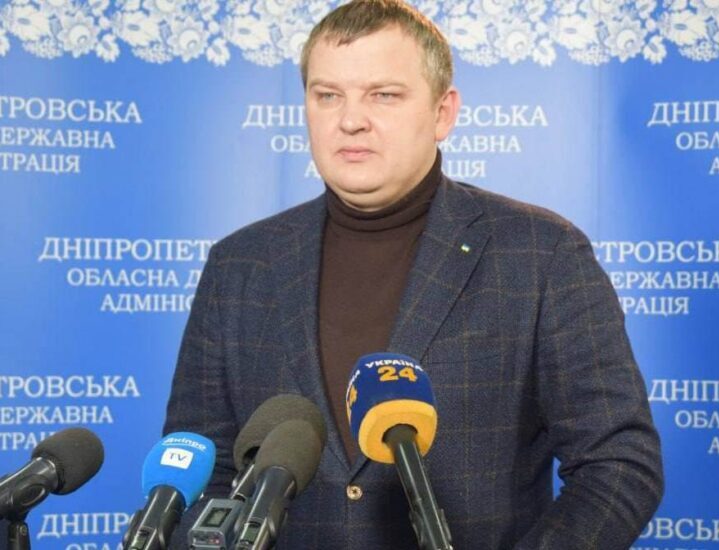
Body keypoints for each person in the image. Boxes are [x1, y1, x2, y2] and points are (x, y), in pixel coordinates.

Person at [164, 1, 663, 548]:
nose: (350, 119)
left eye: (383, 95)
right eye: (327, 95)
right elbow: (201, 470)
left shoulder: (542, 253)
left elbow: (618, 464)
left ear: (443, 113)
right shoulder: (239, 264)